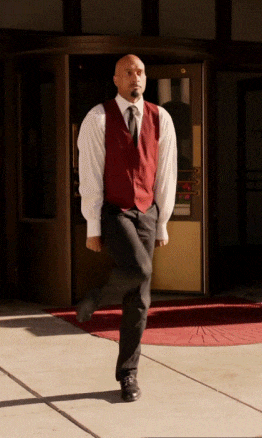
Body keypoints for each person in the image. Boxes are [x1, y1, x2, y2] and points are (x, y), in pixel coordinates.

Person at [75, 54, 177, 402]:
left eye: (140, 72)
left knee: (140, 298)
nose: (136, 77)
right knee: (140, 269)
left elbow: (165, 174)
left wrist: (162, 223)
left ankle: (128, 374)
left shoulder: (161, 118)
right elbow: (89, 174)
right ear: (116, 80)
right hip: (115, 210)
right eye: (128, 72)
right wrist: (92, 224)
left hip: (147, 212)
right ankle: (97, 296)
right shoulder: (98, 118)